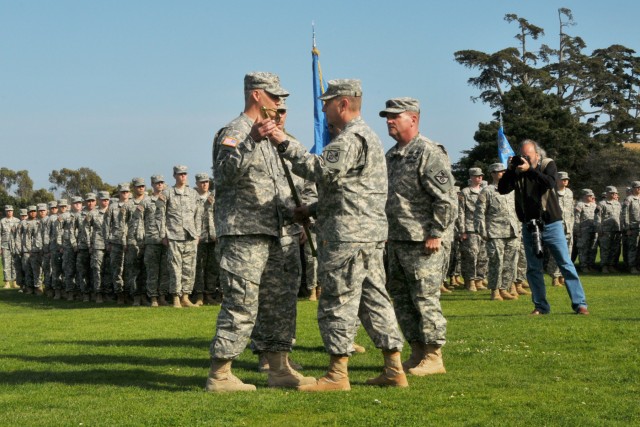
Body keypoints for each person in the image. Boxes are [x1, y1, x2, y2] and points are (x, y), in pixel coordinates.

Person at [270, 79, 408, 391]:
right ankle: (394, 368)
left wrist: (282, 140)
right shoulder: (367, 136)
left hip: (348, 237)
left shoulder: (351, 138)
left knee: (338, 301)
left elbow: (318, 168)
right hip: (367, 235)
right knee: (374, 300)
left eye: (327, 102)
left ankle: (337, 374)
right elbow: (352, 189)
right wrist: (314, 209)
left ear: (342, 104)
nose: (322, 108)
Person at [206, 72, 314, 392]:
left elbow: (290, 183)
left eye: (282, 97)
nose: (280, 102)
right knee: (242, 304)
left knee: (280, 304)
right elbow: (224, 175)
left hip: (281, 233)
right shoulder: (234, 132)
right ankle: (221, 374)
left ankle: (279, 368)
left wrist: (300, 216)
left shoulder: (279, 135)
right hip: (244, 233)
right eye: (274, 95)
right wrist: (252, 139)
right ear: (256, 95)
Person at [380, 97, 454, 376]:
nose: (389, 121)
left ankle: (434, 355)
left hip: (423, 241)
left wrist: (436, 232)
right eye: (387, 116)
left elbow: (446, 198)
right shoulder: (392, 155)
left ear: (413, 118)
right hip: (397, 240)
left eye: (395, 116)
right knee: (402, 299)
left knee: (424, 298)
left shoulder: (428, 152)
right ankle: (417, 351)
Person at [498, 139, 588, 315]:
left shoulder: (547, 164)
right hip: (529, 225)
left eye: (528, 156)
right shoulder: (516, 172)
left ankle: (580, 304)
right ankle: (540, 306)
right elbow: (502, 189)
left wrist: (530, 170)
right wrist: (510, 170)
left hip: (551, 224)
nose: (524, 159)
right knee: (533, 268)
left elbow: (549, 183)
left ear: (537, 156)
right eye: (521, 156)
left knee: (565, 263)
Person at [475, 163, 522, 301]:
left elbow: (516, 210)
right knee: (497, 262)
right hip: (495, 231)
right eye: (499, 172)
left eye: (504, 171)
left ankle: (504, 289)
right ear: (493, 174)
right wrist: (482, 231)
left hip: (512, 231)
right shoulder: (487, 191)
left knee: (510, 262)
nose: (502, 173)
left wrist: (518, 227)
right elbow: (479, 212)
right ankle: (494, 291)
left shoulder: (511, 189)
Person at [157, 166, 201, 309]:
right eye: (180, 174)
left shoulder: (193, 193)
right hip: (174, 235)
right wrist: (163, 234)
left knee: (189, 268)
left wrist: (198, 234)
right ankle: (176, 297)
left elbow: (198, 215)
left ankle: (185, 297)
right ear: (174, 175)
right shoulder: (167, 193)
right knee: (175, 268)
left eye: (184, 174)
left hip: (190, 236)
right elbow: (160, 215)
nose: (182, 176)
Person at [142, 175, 170, 307]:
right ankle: (153, 297)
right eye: (157, 183)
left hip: (166, 240)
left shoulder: (168, 199)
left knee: (164, 271)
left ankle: (163, 296)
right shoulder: (146, 201)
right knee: (152, 270)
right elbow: (139, 221)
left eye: (161, 183)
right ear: (152, 184)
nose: (159, 185)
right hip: (152, 240)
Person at [459, 168, 488, 291]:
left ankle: (479, 280)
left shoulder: (485, 191)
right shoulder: (465, 192)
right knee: (471, 256)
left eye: (481, 176)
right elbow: (460, 212)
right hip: (470, 227)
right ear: (471, 177)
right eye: (476, 176)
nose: (479, 178)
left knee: (483, 256)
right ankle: (470, 280)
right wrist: (462, 230)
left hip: (483, 228)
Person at [193, 172, 219, 306]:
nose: (205, 184)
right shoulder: (192, 197)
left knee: (212, 267)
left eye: (207, 182)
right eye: (202, 182)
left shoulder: (214, 196)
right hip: (199, 237)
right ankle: (199, 295)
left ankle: (209, 294)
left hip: (213, 236)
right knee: (199, 267)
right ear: (197, 183)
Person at [103, 184, 132, 304]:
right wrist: (107, 242)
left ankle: (130, 294)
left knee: (130, 269)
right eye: (123, 192)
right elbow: (106, 226)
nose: (125, 194)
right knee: (117, 269)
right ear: (119, 193)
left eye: (127, 192)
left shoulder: (133, 205)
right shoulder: (112, 207)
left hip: (131, 241)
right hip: (116, 242)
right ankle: (119, 294)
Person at [546, 171, 574, 286]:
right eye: (563, 179)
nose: (565, 181)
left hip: (568, 227)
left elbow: (571, 210)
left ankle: (563, 276)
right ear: (557, 180)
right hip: (556, 226)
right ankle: (555, 276)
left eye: (566, 179)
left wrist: (572, 225)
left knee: (567, 253)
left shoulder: (569, 193)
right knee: (555, 253)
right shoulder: (552, 192)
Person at [125, 177, 149, 306]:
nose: (141, 188)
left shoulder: (150, 202)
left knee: (146, 269)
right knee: (133, 270)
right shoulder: (128, 205)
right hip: (133, 240)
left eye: (143, 186)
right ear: (133, 188)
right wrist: (125, 242)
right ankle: (136, 296)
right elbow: (123, 224)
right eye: (138, 186)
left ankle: (144, 295)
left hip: (147, 239)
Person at [595, 186, 621, 273]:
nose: (614, 195)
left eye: (615, 193)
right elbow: (597, 217)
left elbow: (620, 216)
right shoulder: (601, 204)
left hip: (616, 230)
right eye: (612, 193)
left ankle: (611, 265)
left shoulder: (617, 204)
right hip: (605, 230)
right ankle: (604, 266)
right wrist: (599, 229)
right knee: (605, 249)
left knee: (614, 249)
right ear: (607, 194)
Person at [574, 189, 598, 273]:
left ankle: (590, 265)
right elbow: (576, 219)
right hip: (583, 231)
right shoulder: (580, 205)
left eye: (592, 195)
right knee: (583, 248)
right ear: (584, 196)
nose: (592, 197)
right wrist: (577, 230)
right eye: (589, 195)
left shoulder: (594, 205)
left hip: (593, 230)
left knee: (593, 248)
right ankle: (583, 266)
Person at [621, 181, 640, 273]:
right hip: (633, 228)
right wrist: (627, 228)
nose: (639, 189)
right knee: (633, 248)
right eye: (637, 187)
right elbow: (625, 214)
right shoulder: (629, 199)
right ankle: (632, 266)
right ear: (633, 188)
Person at [1, 205, 20, 289]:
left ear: (13, 211)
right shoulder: (2, 221)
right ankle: (7, 282)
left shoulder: (17, 221)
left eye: (11, 211)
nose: (9, 212)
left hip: (15, 245)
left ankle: (15, 282)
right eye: (7, 211)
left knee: (15, 263)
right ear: (5, 212)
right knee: (6, 263)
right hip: (5, 245)